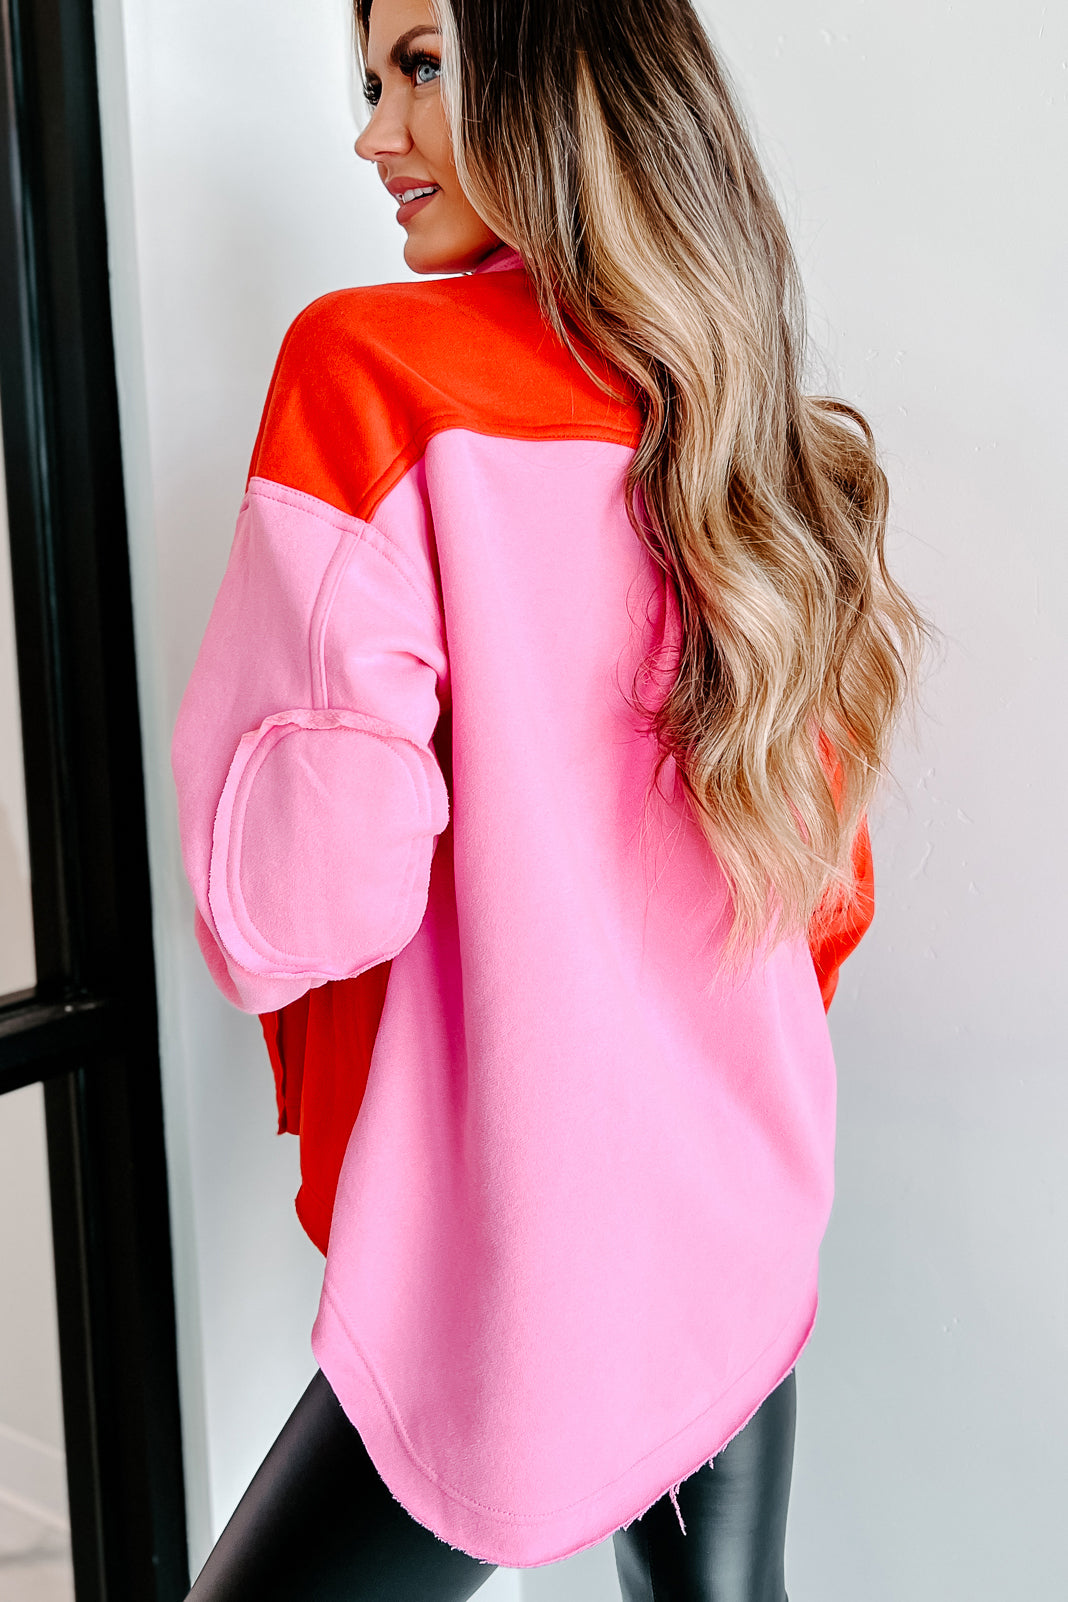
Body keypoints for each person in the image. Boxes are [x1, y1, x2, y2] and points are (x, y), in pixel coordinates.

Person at [171, 0, 926, 1596]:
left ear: (555, 69)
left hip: (514, 1247)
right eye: (369, 81)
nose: (374, 132)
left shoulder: (366, 373)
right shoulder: (736, 416)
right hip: (731, 1201)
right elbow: (822, 901)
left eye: (421, 66)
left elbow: (300, 908)